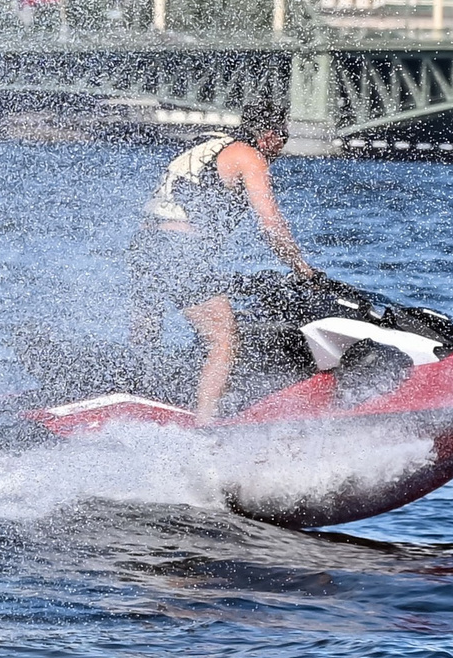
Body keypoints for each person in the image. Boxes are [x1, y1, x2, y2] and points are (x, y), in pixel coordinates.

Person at [129, 103, 316, 422]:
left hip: (143, 247)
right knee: (223, 339)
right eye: (284, 137)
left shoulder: (209, 141)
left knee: (146, 337)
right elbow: (271, 224)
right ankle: (205, 426)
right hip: (179, 249)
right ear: (270, 136)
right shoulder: (249, 155)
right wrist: (302, 268)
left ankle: (133, 402)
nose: (283, 146)